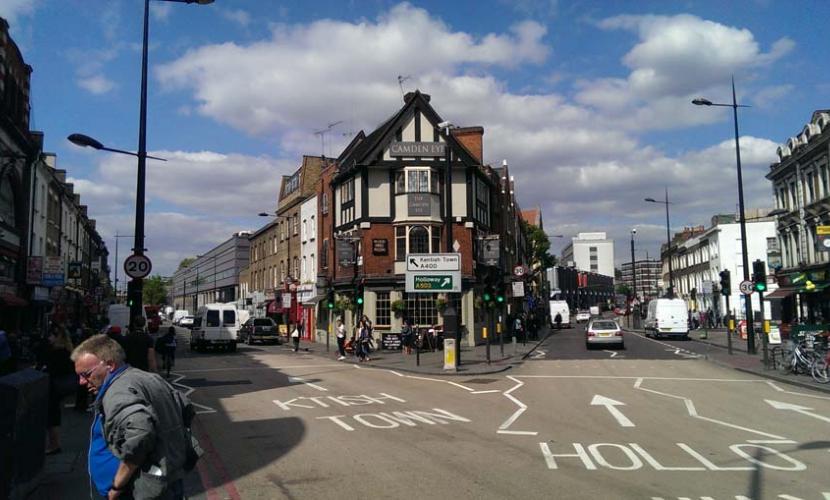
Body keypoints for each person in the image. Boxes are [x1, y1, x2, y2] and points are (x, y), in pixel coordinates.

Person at [72, 334, 190, 499]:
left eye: (86, 374)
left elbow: (140, 433)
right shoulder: (149, 378)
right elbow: (185, 408)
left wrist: (117, 485)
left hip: (136, 490)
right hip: (167, 481)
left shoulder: (117, 392)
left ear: (110, 365)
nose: (81, 382)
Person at [42, 324, 76, 455]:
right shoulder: (67, 350)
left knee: (52, 415)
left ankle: (54, 444)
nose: (49, 337)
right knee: (53, 414)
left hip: (54, 386)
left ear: (58, 337)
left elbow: (52, 369)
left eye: (51, 335)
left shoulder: (57, 352)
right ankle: (53, 443)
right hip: (60, 386)